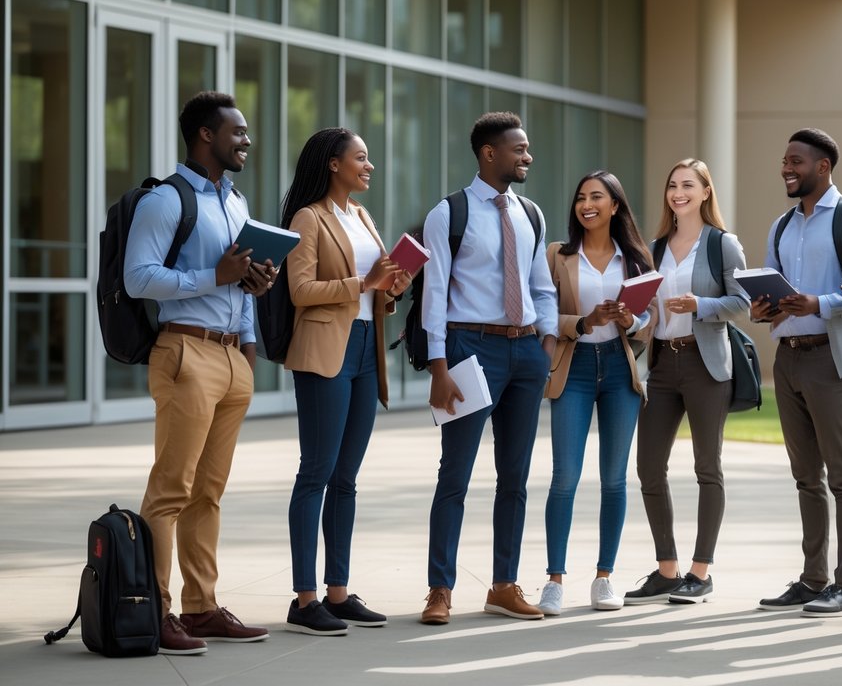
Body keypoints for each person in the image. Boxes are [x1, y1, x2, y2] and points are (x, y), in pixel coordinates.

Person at [124, 91, 274, 654]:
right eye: (236, 132)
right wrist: (214, 276)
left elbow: (239, 277)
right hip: (186, 353)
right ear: (205, 136)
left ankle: (201, 607)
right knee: (170, 490)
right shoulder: (166, 200)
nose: (246, 140)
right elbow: (139, 278)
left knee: (208, 494)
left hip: (234, 357)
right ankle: (155, 612)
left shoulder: (236, 202)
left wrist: (252, 326)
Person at [420, 111, 558, 625]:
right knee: (454, 474)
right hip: (468, 349)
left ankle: (504, 585)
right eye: (518, 149)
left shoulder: (531, 213)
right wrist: (439, 366)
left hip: (525, 354)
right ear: (488, 153)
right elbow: (434, 296)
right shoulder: (449, 214)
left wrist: (544, 342)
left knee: (515, 477)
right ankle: (440, 590)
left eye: (527, 148)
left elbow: (540, 283)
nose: (527, 156)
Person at [279, 128, 411, 636]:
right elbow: (300, 290)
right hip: (323, 352)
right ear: (333, 164)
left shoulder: (361, 216)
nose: (369, 165)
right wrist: (365, 282)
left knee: (347, 478)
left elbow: (373, 293)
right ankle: (305, 598)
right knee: (316, 471)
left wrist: (390, 289)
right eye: (361, 158)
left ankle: (337, 591)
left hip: (362, 350)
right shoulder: (307, 219)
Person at [750, 129, 842, 616]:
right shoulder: (782, 225)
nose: (787, 168)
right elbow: (767, 286)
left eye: (796, 161)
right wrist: (764, 308)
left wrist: (818, 302)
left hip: (833, 358)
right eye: (784, 161)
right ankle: (812, 579)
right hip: (788, 358)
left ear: (823, 167)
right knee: (805, 476)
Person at [625, 158, 748, 606]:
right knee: (648, 467)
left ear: (705, 192)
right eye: (673, 185)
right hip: (662, 367)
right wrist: (632, 315)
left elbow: (744, 303)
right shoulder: (654, 247)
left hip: (705, 365)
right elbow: (646, 308)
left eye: (688, 185)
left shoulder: (722, 245)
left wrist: (701, 304)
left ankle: (701, 572)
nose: (678, 192)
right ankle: (667, 570)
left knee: (706, 467)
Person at [537, 171, 656, 616]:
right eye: (581, 198)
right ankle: (554, 580)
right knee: (565, 476)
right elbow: (543, 315)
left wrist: (629, 321)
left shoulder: (636, 259)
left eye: (597, 197)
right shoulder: (558, 255)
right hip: (575, 368)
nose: (586, 204)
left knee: (614, 479)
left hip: (619, 371)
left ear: (615, 206)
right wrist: (585, 321)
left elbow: (650, 321)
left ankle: (604, 576)